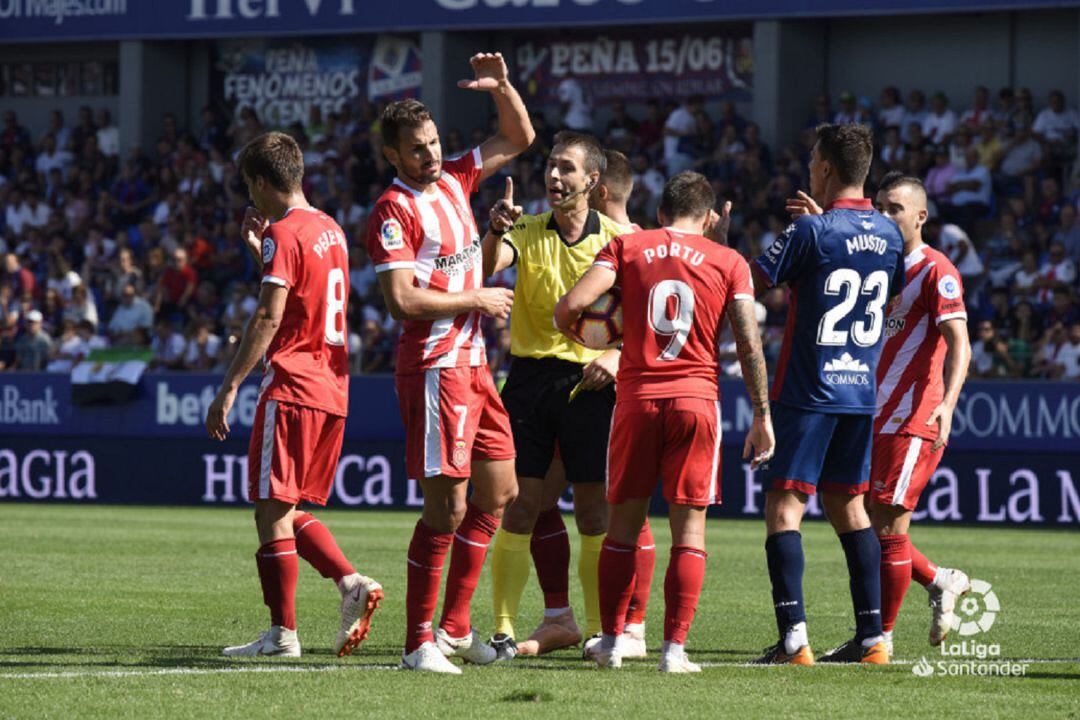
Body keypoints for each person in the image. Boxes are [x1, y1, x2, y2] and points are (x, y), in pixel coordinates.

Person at [554, 171, 775, 672]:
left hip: (636, 400)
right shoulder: (730, 261)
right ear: (711, 216)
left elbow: (568, 306)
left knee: (622, 531)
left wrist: (591, 338)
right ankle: (674, 650)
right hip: (696, 401)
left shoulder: (630, 246)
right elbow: (748, 342)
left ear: (660, 214)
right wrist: (762, 415)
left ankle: (613, 641)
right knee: (689, 533)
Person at [365, 52, 534, 674]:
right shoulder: (394, 209)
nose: (430, 155)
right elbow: (402, 300)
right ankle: (417, 644)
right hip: (436, 367)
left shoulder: (458, 179)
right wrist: (477, 297)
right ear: (393, 156)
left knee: (502, 491)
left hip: (475, 364)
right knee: (448, 510)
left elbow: (518, 137)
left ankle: (456, 628)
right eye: (416, 149)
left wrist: (503, 87)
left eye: (433, 142)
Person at [206, 131, 383, 660]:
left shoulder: (282, 234)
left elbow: (270, 315)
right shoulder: (330, 228)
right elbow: (306, 291)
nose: (250, 198)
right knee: (282, 506)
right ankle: (350, 584)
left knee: (269, 510)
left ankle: (282, 635)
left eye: (249, 186)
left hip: (292, 383)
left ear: (262, 181)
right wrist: (263, 251)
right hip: (332, 387)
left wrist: (230, 384)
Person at [751, 123, 904, 665]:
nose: (809, 168)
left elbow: (751, 282)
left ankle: (794, 639)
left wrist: (810, 234)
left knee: (783, 507)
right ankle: (873, 638)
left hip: (808, 389)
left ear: (827, 170)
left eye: (813, 160)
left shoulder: (811, 232)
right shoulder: (890, 234)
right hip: (859, 391)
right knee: (849, 505)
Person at [481, 138, 633, 660]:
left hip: (592, 383)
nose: (554, 175)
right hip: (528, 381)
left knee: (594, 512)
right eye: (550, 166)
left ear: (592, 180)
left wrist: (615, 358)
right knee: (518, 504)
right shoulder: (524, 230)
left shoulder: (620, 240)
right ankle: (502, 628)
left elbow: (649, 319)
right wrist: (495, 227)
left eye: (567, 168)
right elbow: (487, 266)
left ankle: (598, 631)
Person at [869, 173, 974, 656]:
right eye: (880, 207)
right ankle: (939, 580)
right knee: (864, 520)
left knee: (889, 528)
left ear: (920, 216)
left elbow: (959, 343)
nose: (886, 216)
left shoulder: (937, 270)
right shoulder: (875, 266)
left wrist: (948, 406)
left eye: (896, 208)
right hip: (869, 413)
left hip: (914, 416)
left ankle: (879, 640)